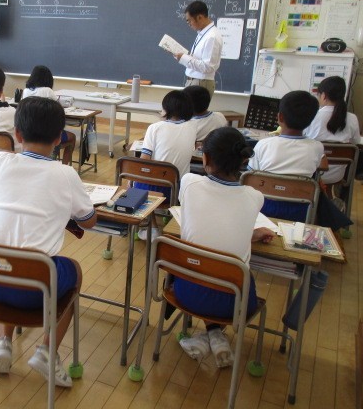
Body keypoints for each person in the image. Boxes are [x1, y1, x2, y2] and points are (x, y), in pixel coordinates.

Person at [0, 96, 97, 386]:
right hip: (36, 289)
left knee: (12, 254)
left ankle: (3, 343)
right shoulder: (66, 174)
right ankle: (47, 350)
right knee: (73, 270)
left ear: (17, 134)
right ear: (59, 138)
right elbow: (89, 221)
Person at [175, 126, 276, 367]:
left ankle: (209, 335)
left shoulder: (189, 183)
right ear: (243, 161)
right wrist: (253, 234)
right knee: (227, 275)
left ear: (205, 158)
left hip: (186, 292)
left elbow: (211, 220)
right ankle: (214, 334)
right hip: (234, 304)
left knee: (206, 267)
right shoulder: (254, 196)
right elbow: (229, 223)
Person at [247, 90, 350, 230]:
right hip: (301, 212)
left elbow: (251, 177)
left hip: (263, 208)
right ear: (311, 120)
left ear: (280, 117)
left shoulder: (263, 144)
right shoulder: (317, 147)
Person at [304, 76, 360, 185]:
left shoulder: (312, 116)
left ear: (324, 95)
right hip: (337, 176)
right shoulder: (352, 118)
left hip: (311, 175)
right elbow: (356, 143)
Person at [139, 90, 197, 186]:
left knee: (133, 177)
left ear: (166, 109)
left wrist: (132, 179)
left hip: (157, 183)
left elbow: (144, 160)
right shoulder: (193, 127)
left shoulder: (155, 127)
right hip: (180, 185)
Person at [22, 65, 76, 165]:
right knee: (72, 137)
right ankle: (64, 165)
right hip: (47, 132)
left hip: (30, 131)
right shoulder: (48, 91)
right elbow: (58, 109)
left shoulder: (26, 91)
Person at [173, 1, 223, 95]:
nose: (189, 24)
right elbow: (199, 59)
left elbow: (208, 67)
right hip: (195, 82)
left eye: (189, 21)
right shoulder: (203, 33)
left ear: (200, 17)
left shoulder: (212, 36)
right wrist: (181, 56)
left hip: (200, 83)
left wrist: (184, 58)